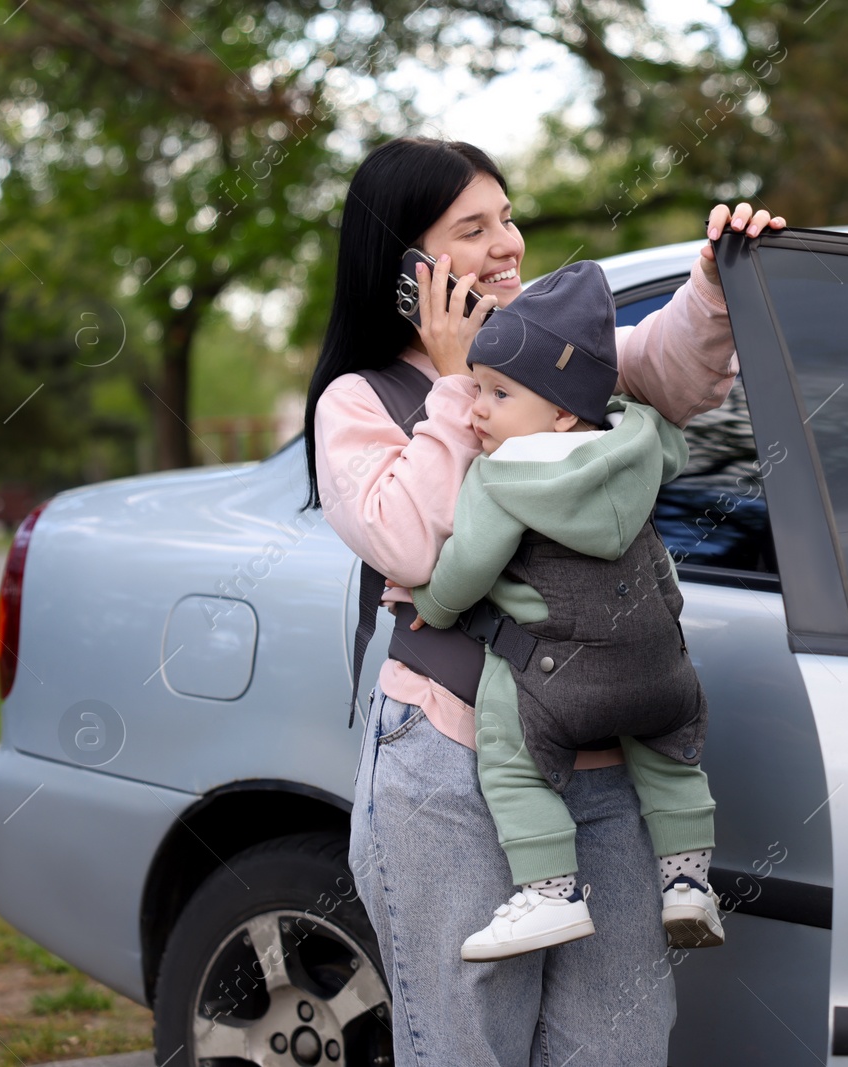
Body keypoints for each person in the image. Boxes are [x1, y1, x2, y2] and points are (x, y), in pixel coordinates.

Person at [302, 135, 785, 1067]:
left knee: (619, 1045)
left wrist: (714, 288)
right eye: (472, 229)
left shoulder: (554, 353)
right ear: (409, 265)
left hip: (606, 766)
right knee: (465, 1045)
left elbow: (668, 367)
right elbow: (411, 541)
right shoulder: (360, 403)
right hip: (450, 772)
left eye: (509, 217)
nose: (508, 244)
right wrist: (456, 385)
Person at [403, 259, 720, 963]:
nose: (476, 408)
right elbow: (676, 443)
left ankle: (549, 893)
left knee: (510, 760)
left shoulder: (499, 476)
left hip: (560, 681)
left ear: (558, 412)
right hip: (659, 670)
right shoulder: (637, 439)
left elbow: (466, 568)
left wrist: (434, 604)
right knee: (671, 765)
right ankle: (688, 881)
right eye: (477, 388)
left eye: (497, 392)